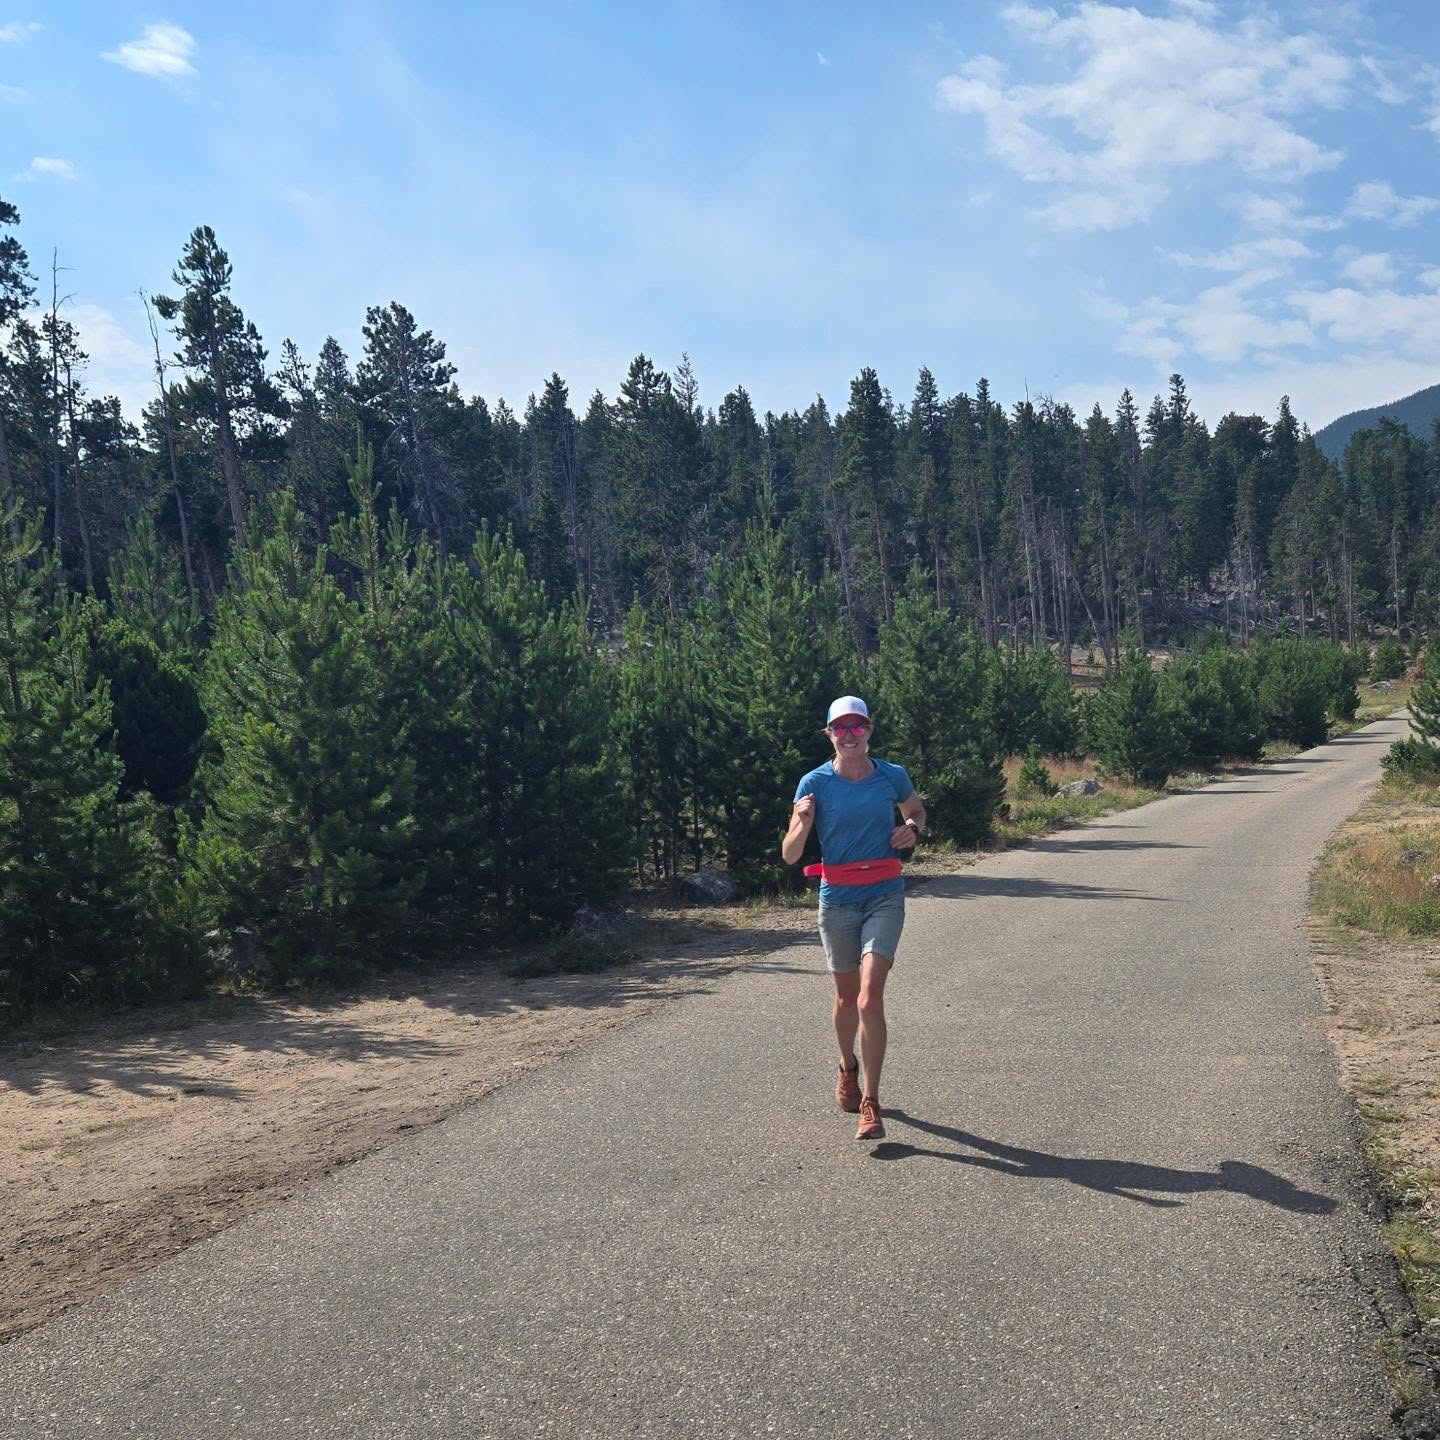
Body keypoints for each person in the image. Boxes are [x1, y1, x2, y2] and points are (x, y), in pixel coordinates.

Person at [781, 696, 926, 1141]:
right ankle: (847, 1066)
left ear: (869, 730)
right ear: (829, 734)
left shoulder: (891, 775)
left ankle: (871, 1100)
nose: (849, 735)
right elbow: (790, 855)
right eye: (839, 729)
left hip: (884, 894)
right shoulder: (814, 782)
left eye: (856, 727)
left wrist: (912, 829)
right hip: (838, 898)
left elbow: (916, 810)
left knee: (868, 998)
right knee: (846, 998)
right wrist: (803, 824)